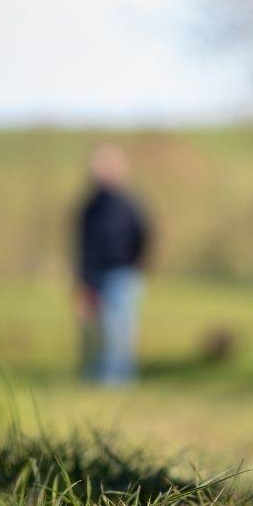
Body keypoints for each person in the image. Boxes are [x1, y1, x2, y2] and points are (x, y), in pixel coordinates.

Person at [74, 143, 150, 384]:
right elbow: (82, 245)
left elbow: (143, 235)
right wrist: (83, 280)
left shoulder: (130, 204)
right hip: (95, 275)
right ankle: (100, 376)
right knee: (99, 329)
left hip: (123, 274)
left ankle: (120, 379)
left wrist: (136, 264)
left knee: (121, 330)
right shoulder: (90, 207)